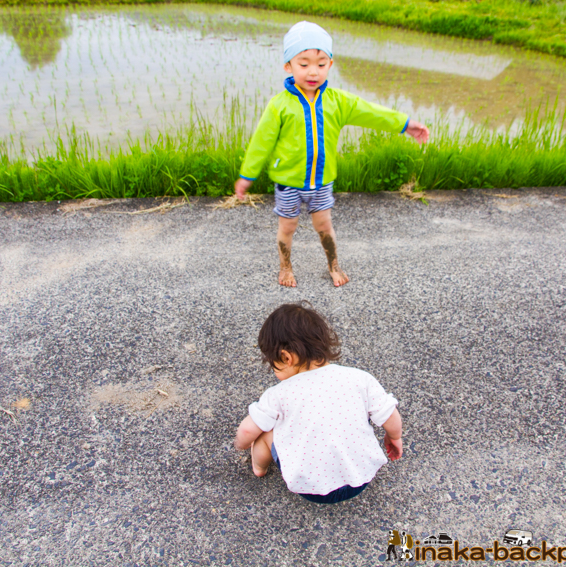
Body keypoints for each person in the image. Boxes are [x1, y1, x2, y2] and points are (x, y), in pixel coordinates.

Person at [234, 21, 429, 288]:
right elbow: (261, 142)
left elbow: (372, 112)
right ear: (288, 66)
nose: (313, 71)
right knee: (287, 228)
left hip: (322, 180)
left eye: (321, 63)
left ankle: (334, 265)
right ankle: (285, 266)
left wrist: (405, 124)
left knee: (324, 226)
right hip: (288, 181)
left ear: (330, 64)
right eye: (303, 64)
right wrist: (247, 175)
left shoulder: (338, 101)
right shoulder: (279, 105)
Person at [234, 302, 403, 504]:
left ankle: (259, 468)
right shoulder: (360, 378)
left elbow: (246, 431)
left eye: (273, 364)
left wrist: (241, 445)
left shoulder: (278, 394)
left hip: (310, 490)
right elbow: (390, 415)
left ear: (286, 357)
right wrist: (395, 437)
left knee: (263, 433)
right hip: (360, 480)